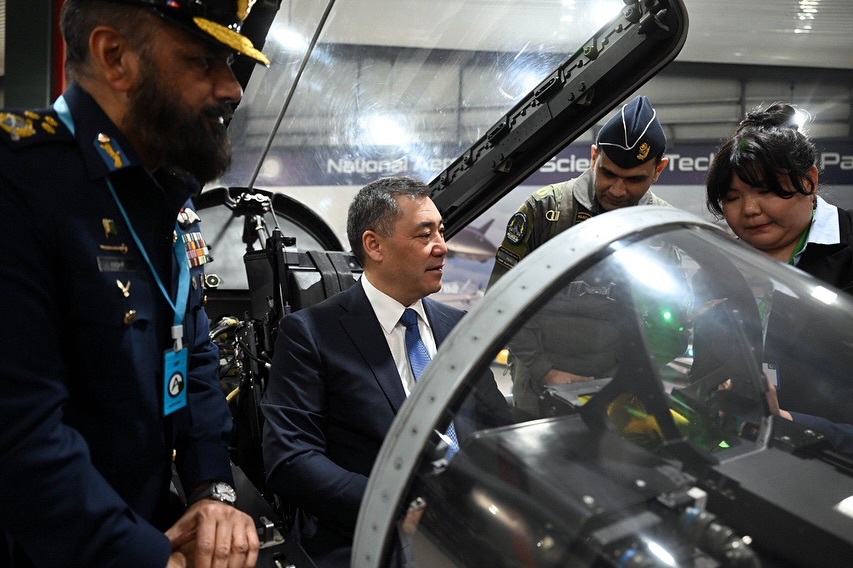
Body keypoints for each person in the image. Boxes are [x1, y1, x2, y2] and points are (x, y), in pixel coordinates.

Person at [0, 1, 270, 566]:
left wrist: (210, 491)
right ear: (114, 57)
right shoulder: (21, 186)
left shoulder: (158, 191)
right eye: (201, 60)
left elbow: (191, 349)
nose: (232, 89)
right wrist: (147, 557)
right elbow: (19, 436)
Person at [261, 176, 509, 567]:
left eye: (441, 231)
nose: (442, 247)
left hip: (474, 528)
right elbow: (291, 459)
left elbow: (498, 425)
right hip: (375, 539)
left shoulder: (458, 327)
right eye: (425, 234)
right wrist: (395, 509)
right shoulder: (311, 334)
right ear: (374, 245)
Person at [488, 96, 676, 415]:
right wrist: (545, 371)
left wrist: (629, 377)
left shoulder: (662, 228)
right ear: (593, 157)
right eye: (608, 173)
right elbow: (501, 302)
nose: (618, 190)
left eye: (634, 180)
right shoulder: (545, 210)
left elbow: (672, 321)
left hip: (618, 394)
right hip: (538, 391)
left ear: (658, 170)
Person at [705, 102, 853, 452]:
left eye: (766, 191)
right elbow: (707, 367)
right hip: (752, 458)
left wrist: (796, 425)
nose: (749, 210)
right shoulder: (722, 266)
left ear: (810, 180)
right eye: (731, 197)